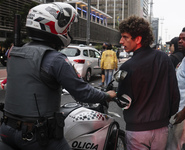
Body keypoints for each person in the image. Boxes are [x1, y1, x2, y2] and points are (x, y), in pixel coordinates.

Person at [0, 2, 116, 150]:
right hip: (37, 136)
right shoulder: (55, 59)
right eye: (67, 25)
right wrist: (106, 95)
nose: (69, 29)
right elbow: (83, 93)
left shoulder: (12, 52)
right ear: (55, 25)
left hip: (6, 131)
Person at [117, 15, 180, 150]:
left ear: (138, 39)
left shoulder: (128, 67)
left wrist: (113, 95)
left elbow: (124, 102)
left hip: (137, 130)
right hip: (161, 128)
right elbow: (175, 92)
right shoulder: (164, 59)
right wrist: (166, 116)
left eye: (125, 37)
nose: (121, 41)